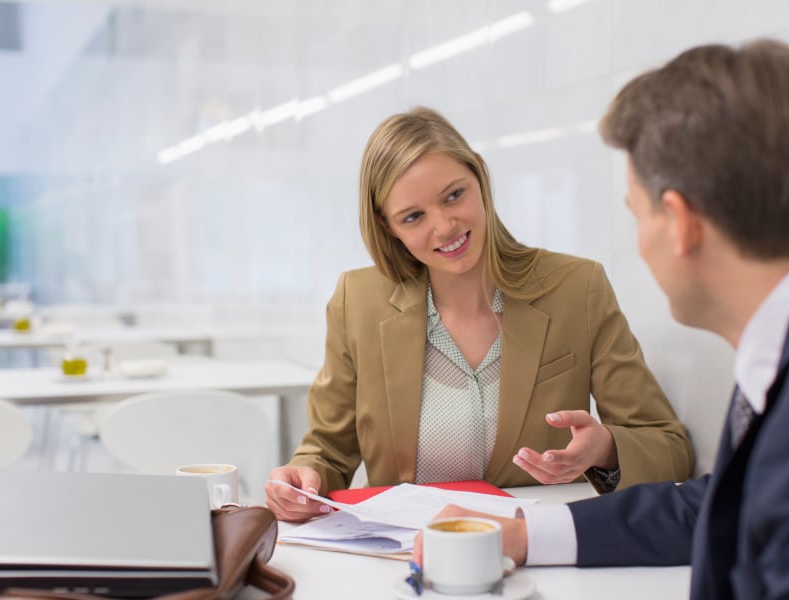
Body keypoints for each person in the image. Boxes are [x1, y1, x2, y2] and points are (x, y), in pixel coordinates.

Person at [416, 40, 789, 599]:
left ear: (679, 223)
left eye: (637, 215)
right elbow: (724, 505)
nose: (641, 245)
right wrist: (526, 534)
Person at [265, 106, 693, 522]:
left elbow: (669, 446)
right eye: (413, 216)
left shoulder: (577, 290)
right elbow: (328, 450)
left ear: (480, 177)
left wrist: (606, 448)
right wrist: (306, 477)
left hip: (537, 552)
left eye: (454, 195)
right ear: (387, 227)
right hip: (406, 555)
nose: (445, 227)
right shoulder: (357, 301)